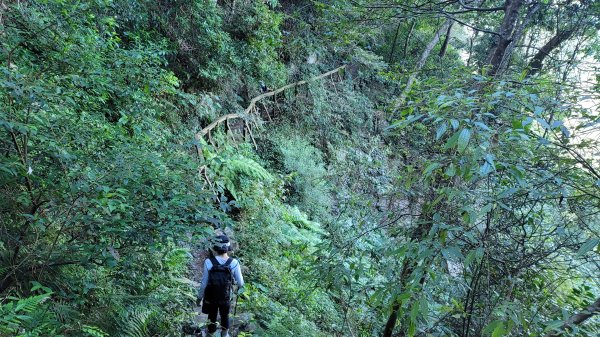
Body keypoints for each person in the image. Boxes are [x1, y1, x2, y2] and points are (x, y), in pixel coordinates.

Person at [198, 235, 244, 337]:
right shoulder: (234, 263)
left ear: (214, 247)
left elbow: (204, 283)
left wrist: (199, 298)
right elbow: (241, 283)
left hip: (211, 296)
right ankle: (225, 334)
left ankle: (210, 334)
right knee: (225, 316)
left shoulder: (208, 262)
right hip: (226, 296)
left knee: (212, 316)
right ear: (228, 248)